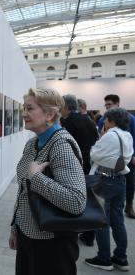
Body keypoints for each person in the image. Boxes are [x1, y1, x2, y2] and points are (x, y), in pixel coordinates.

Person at [9, 88, 86, 275]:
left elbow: (76, 201)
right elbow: (23, 189)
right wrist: (16, 226)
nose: (24, 113)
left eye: (30, 108)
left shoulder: (61, 145)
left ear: (50, 114)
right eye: (24, 108)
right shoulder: (33, 143)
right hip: (28, 235)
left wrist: (37, 178)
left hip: (53, 244)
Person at [85, 107, 134, 271]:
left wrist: (100, 141)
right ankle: (121, 258)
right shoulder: (127, 135)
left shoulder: (111, 135)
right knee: (118, 221)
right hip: (120, 180)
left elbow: (94, 154)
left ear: (112, 120)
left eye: (106, 119)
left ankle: (104, 258)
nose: (104, 121)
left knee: (101, 221)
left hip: (105, 180)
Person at [61, 95, 99, 247]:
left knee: (74, 198)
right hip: (88, 163)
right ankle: (89, 234)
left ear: (66, 107)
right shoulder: (88, 120)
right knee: (88, 198)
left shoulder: (68, 122)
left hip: (75, 164)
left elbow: (66, 145)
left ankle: (74, 232)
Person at [97, 94, 135, 219]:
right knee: (109, 185)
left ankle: (129, 205)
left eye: (110, 104)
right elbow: (100, 138)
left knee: (129, 182)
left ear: (117, 103)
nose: (107, 107)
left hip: (127, 157)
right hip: (109, 160)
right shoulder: (103, 119)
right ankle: (108, 210)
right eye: (106, 105)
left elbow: (133, 136)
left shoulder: (130, 118)